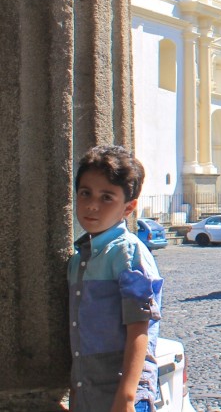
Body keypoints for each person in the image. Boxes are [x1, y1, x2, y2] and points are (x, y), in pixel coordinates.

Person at [69, 145, 163, 412]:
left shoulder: (127, 253)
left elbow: (139, 329)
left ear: (128, 208)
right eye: (85, 193)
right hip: (89, 393)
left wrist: (128, 396)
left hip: (121, 395)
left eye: (107, 197)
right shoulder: (79, 259)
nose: (92, 205)